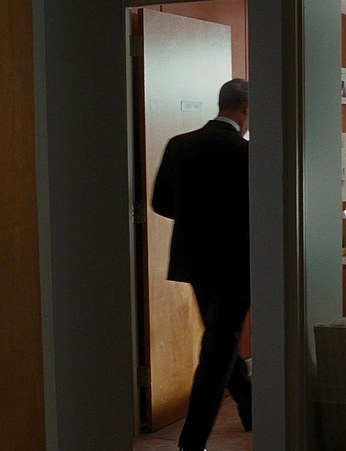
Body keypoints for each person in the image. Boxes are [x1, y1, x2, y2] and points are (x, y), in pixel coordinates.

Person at [151, 78, 252, 451]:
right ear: (245, 109)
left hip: (194, 260)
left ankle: (250, 405)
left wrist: (196, 220)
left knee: (219, 337)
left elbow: (160, 203)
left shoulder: (179, 145)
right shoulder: (246, 153)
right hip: (237, 263)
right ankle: (191, 442)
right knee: (218, 347)